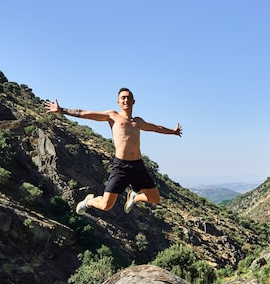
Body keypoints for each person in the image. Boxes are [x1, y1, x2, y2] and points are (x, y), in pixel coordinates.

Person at [45, 87, 182, 215]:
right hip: (121, 167)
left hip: (138, 166)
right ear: (118, 102)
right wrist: (62, 110)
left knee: (155, 199)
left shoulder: (138, 121)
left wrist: (173, 132)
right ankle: (89, 201)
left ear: (133, 101)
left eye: (128, 98)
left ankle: (134, 198)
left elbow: (156, 128)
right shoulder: (112, 116)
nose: (126, 100)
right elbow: (87, 114)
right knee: (106, 206)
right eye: (123, 98)